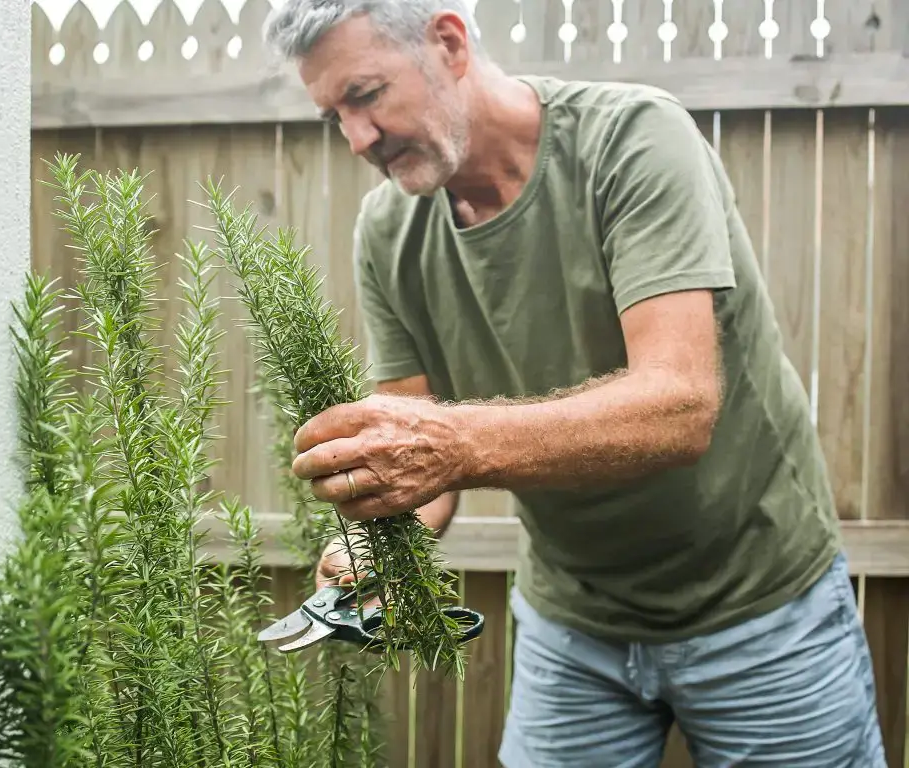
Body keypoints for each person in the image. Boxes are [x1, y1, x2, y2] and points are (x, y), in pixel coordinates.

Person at [261, 1, 886, 765]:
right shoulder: (388, 232)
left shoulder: (633, 142)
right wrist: (375, 550)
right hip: (573, 625)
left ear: (449, 43)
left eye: (365, 95)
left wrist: (449, 445)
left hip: (759, 606)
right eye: (335, 115)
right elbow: (418, 464)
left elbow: (678, 406)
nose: (357, 138)